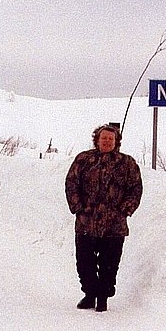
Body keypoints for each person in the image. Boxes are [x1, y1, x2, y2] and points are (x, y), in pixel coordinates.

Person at [65, 124, 143, 312]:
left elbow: (135, 189)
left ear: (116, 141)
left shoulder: (127, 163)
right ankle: (90, 294)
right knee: (85, 263)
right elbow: (71, 183)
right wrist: (78, 207)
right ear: (97, 140)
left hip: (114, 225)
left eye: (111, 138)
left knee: (110, 264)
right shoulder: (84, 159)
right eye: (104, 138)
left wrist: (125, 209)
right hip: (86, 222)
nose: (107, 141)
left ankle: (103, 297)